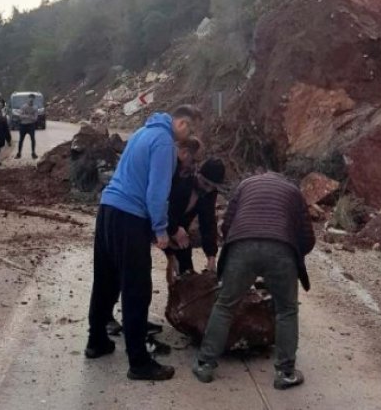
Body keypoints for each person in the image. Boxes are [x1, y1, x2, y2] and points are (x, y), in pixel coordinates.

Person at [85, 105, 202, 382]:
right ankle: (139, 362)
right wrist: (161, 230)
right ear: (182, 124)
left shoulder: (142, 132)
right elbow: (156, 191)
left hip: (108, 210)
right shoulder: (164, 142)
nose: (189, 136)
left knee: (105, 280)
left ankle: (97, 341)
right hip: (130, 216)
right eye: (192, 129)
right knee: (136, 288)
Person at [192, 171, 315, 391]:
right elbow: (307, 236)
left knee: (225, 306)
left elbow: (227, 225)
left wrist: (239, 244)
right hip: (281, 248)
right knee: (286, 310)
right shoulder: (293, 192)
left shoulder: (244, 185)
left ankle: (205, 365)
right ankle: (285, 373)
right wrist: (293, 253)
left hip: (242, 246)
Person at [166, 156, 225, 284]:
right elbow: (162, 206)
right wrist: (174, 229)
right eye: (205, 183)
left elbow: (208, 222)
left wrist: (211, 255)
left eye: (212, 187)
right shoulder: (181, 180)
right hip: (158, 222)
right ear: (198, 173)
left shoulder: (209, 193)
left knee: (187, 273)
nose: (207, 189)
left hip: (180, 231)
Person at [14, 94, 39, 160]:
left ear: (34, 99)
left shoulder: (35, 108)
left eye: (32, 98)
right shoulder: (23, 107)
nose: (31, 100)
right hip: (23, 125)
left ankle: (33, 153)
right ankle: (19, 153)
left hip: (31, 125)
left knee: (33, 139)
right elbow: (20, 116)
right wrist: (29, 116)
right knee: (21, 140)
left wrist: (26, 116)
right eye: (30, 98)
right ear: (28, 99)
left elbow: (35, 118)